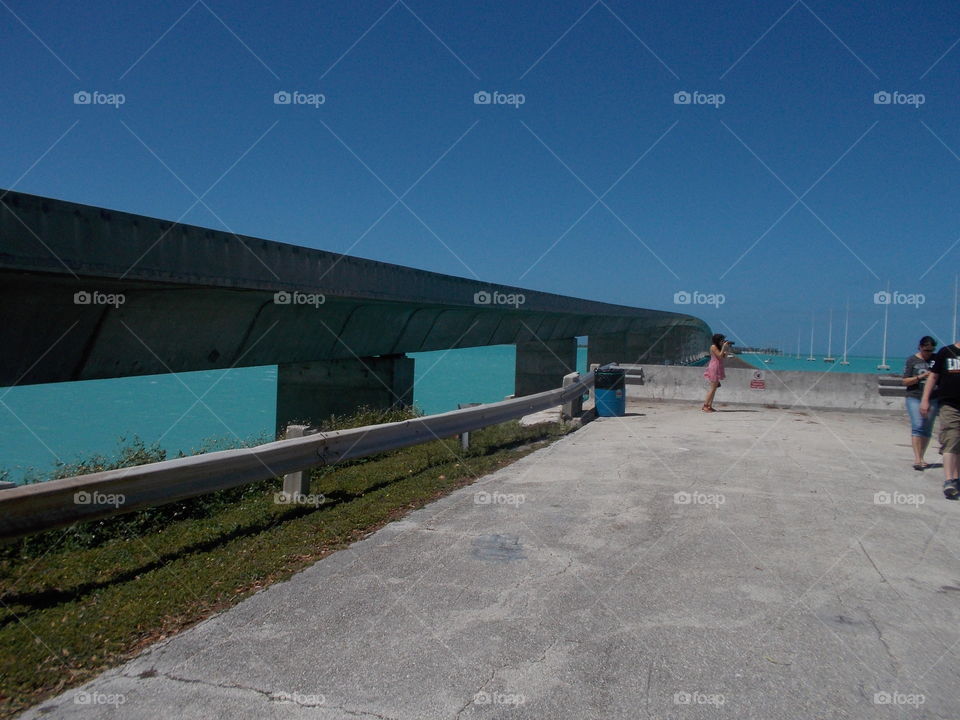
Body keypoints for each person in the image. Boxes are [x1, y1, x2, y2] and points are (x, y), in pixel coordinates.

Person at [920, 339, 960, 498]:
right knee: (951, 439)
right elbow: (933, 377)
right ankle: (949, 480)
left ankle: (957, 478)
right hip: (949, 404)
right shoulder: (946, 352)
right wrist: (925, 399)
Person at [903, 336, 939, 470]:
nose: (928, 353)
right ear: (920, 347)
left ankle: (922, 456)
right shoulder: (912, 360)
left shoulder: (937, 360)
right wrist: (921, 376)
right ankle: (917, 458)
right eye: (926, 350)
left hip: (933, 397)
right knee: (917, 425)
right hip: (914, 396)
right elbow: (905, 381)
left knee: (927, 427)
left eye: (931, 350)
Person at [702, 334, 732, 412]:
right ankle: (705, 405)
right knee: (712, 388)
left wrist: (727, 349)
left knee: (714, 388)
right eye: (722, 340)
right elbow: (719, 356)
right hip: (714, 367)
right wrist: (724, 348)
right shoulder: (713, 347)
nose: (723, 342)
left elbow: (724, 357)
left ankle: (709, 406)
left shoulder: (719, 347)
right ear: (717, 340)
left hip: (718, 368)